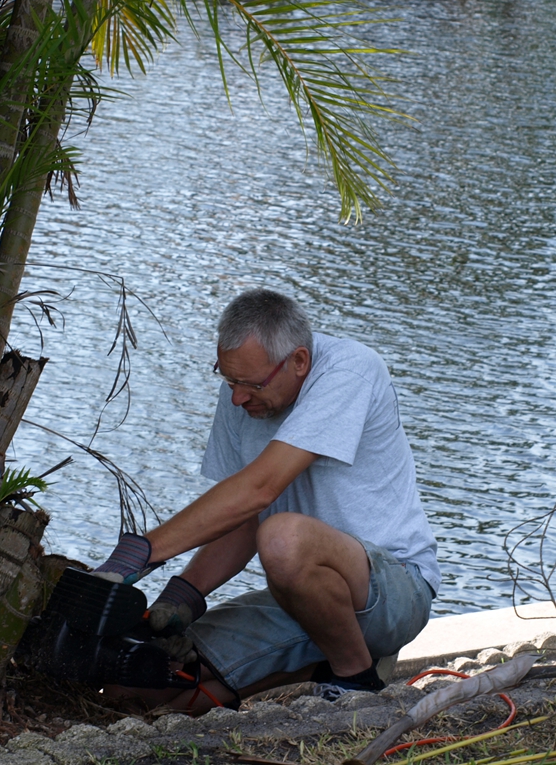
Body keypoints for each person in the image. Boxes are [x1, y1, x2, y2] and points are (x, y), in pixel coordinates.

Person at [93, 288, 440, 711]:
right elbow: (241, 514)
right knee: (138, 685)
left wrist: (140, 552)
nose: (238, 398)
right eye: (229, 380)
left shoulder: (351, 371)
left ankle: (355, 680)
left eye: (251, 384)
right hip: (300, 597)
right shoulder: (243, 394)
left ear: (299, 361)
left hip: (393, 591)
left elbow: (260, 488)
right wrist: (181, 597)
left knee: (282, 537)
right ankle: (315, 665)